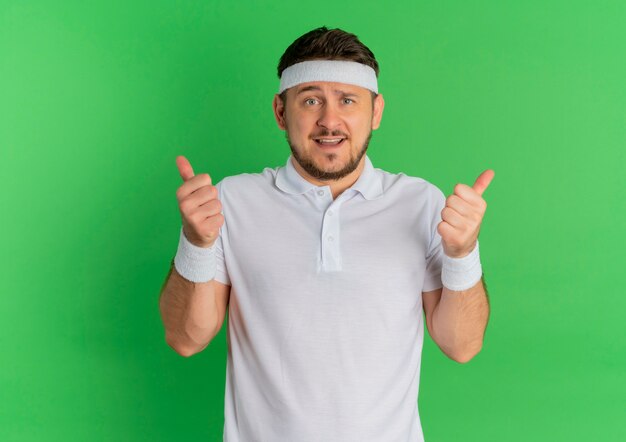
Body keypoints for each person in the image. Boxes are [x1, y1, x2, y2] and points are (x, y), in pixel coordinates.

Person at [159, 26, 493, 442]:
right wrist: (196, 243)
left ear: (376, 112)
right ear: (281, 112)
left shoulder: (420, 203)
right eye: (311, 99)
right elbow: (186, 339)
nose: (329, 120)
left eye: (348, 100)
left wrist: (463, 254)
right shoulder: (231, 201)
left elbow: (461, 346)